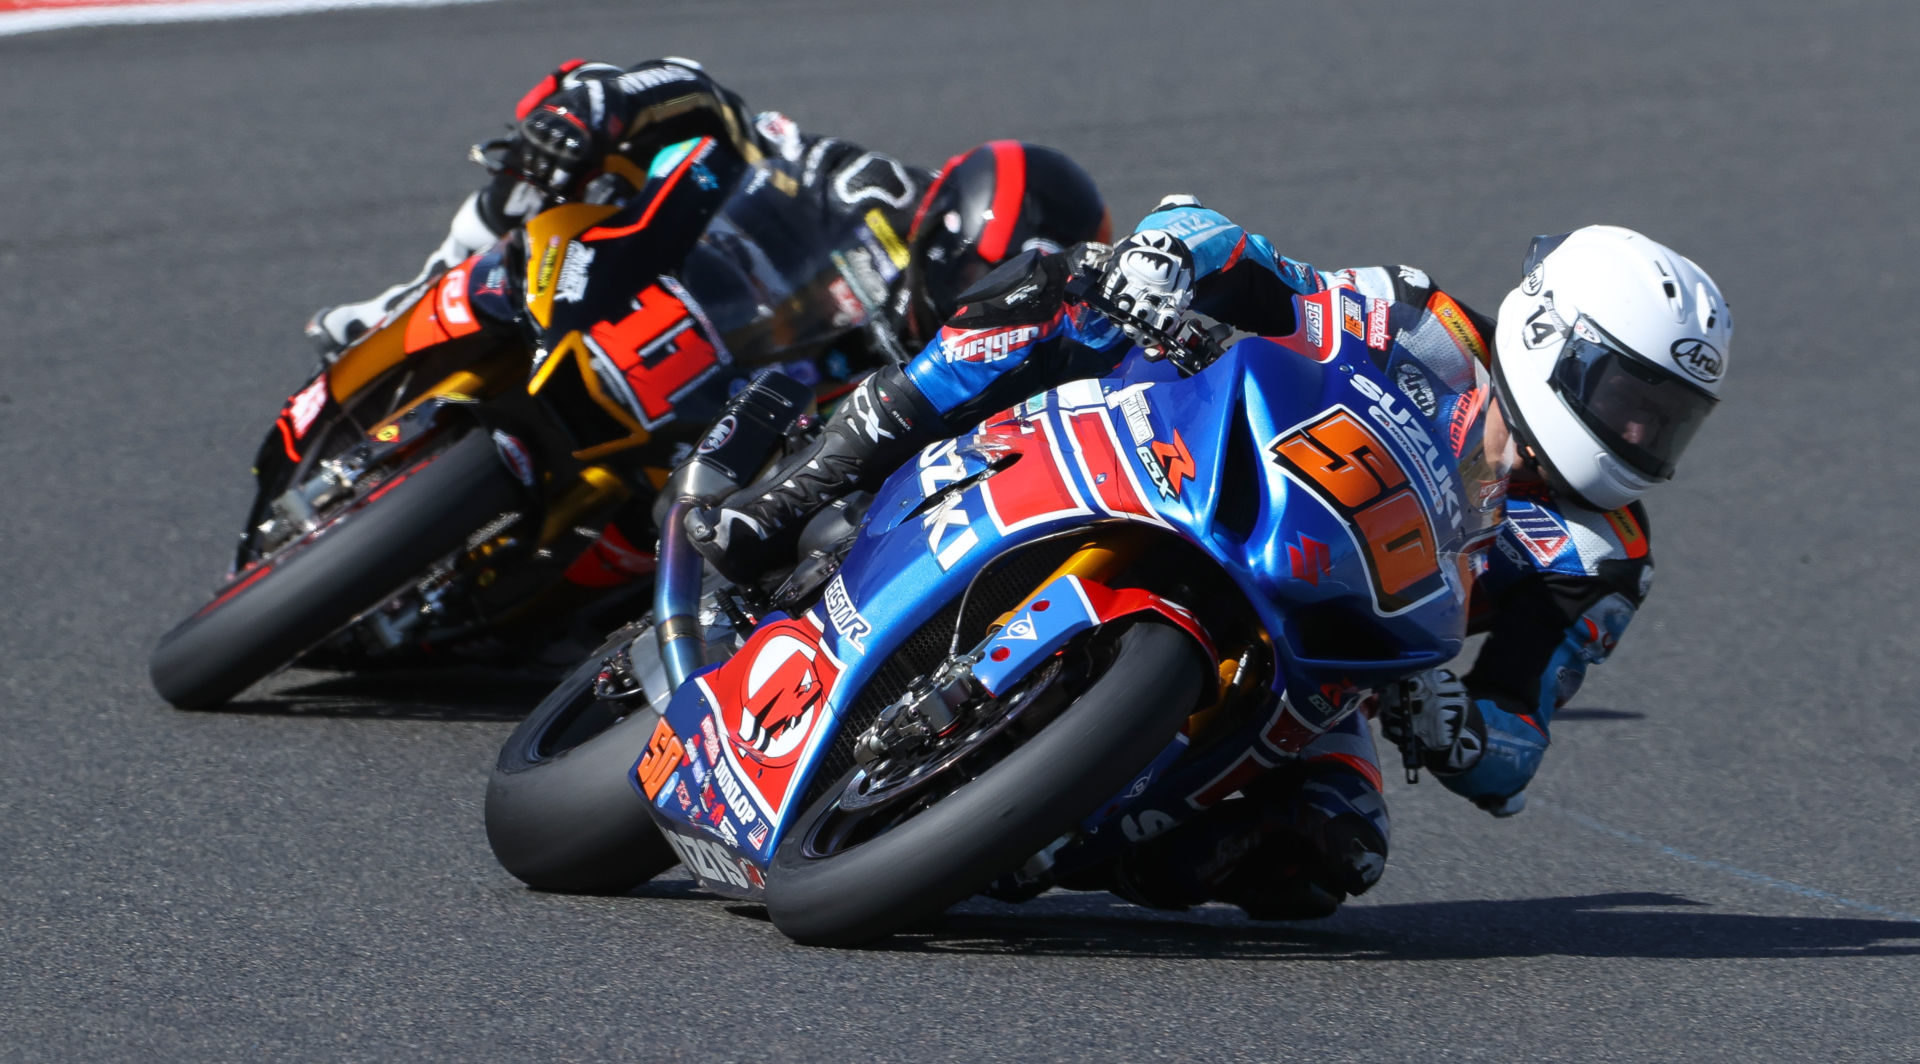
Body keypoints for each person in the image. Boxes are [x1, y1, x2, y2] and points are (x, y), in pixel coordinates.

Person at [686, 199, 1732, 919]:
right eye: (1631, 402)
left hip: (1324, 659)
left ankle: (1056, 830)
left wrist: (1452, 723)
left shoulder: (1603, 556)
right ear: (1554, 339)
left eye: (1668, 422)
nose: (1642, 441)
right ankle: (796, 493)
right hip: (1195, 463)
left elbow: (1514, 751)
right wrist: (1167, 258)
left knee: (1334, 849)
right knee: (1055, 290)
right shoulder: (1421, 318)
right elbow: (1253, 261)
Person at [306, 56, 1111, 366]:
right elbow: (727, 113)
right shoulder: (876, 189)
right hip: (674, 290)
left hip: (726, 437)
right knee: (584, 138)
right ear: (954, 224)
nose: (983, 296)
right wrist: (604, 104)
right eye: (982, 271)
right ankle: (407, 301)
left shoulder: (977, 366)